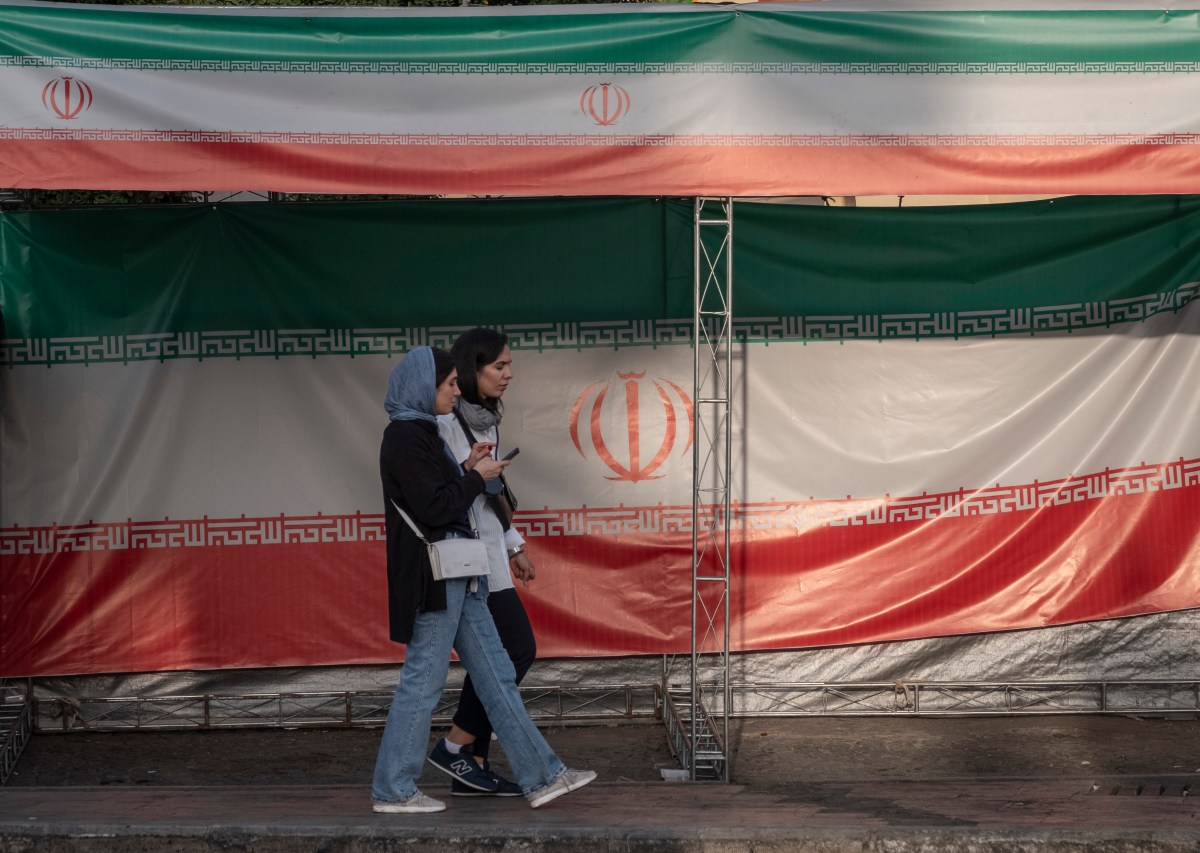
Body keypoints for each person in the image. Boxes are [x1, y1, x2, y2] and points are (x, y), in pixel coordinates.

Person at [371, 345, 595, 814]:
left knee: (497, 677)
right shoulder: (405, 437)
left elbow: (440, 494)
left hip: (461, 574)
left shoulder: (423, 434)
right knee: (423, 683)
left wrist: (469, 467)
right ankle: (393, 789)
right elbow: (434, 507)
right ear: (423, 387)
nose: (456, 390)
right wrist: (476, 478)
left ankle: (544, 774)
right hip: (435, 577)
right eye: (448, 383)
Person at [431, 328, 535, 797]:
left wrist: (513, 544)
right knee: (514, 651)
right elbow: (450, 496)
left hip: (492, 550)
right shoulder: (444, 424)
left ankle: (472, 766)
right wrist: (473, 471)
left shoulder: (485, 419)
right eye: (499, 366)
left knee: (494, 659)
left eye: (509, 365)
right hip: (468, 560)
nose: (509, 374)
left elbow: (492, 495)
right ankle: (455, 746)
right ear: (472, 369)